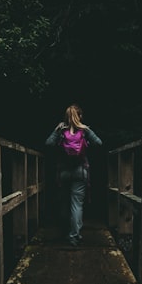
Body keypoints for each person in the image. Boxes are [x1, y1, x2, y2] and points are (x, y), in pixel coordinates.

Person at [46, 104, 102, 246]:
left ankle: (66, 230)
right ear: (80, 116)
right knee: (77, 204)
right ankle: (74, 235)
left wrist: (56, 131)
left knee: (64, 202)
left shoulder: (61, 130)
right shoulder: (84, 130)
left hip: (63, 172)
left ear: (66, 117)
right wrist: (86, 139)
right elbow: (99, 143)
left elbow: (48, 144)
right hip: (80, 171)